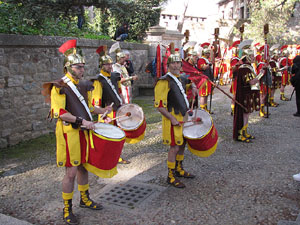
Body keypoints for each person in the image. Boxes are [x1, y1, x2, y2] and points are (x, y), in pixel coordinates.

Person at [41, 40, 113, 225]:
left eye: (83, 67)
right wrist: (83, 121)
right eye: (78, 67)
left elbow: (87, 107)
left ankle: (85, 199)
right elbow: (60, 113)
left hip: (83, 132)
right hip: (69, 134)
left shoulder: (83, 85)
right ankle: (67, 208)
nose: (82, 70)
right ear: (68, 67)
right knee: (71, 172)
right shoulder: (59, 86)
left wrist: (102, 111)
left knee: (83, 167)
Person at [154, 44, 198, 188]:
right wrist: (172, 119)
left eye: (178, 62)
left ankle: (179, 168)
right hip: (173, 118)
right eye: (173, 62)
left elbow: (182, 89)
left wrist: (193, 87)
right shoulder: (164, 81)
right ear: (168, 64)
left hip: (183, 117)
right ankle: (170, 175)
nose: (177, 65)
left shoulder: (180, 79)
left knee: (182, 143)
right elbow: (159, 105)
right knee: (174, 147)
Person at [92, 45, 131, 164]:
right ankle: (104, 157)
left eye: (110, 64)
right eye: (106, 64)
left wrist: (124, 104)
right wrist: (104, 114)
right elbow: (96, 101)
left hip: (117, 109)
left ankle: (116, 156)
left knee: (118, 134)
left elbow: (119, 91)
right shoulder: (98, 80)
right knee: (107, 135)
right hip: (106, 112)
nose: (109, 66)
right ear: (101, 66)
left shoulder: (115, 76)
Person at [233, 50, 260, 143]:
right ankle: (241, 133)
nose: (254, 58)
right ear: (247, 56)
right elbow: (250, 82)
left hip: (248, 93)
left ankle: (245, 132)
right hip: (244, 95)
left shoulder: (249, 67)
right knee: (244, 113)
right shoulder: (244, 68)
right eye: (251, 56)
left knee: (247, 113)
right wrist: (261, 74)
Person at [197, 42, 214, 112]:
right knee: (203, 95)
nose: (208, 54)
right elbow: (203, 68)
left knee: (206, 95)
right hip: (203, 80)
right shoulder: (201, 60)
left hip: (208, 79)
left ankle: (205, 108)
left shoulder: (207, 60)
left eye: (209, 53)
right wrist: (209, 64)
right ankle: (202, 110)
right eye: (207, 53)